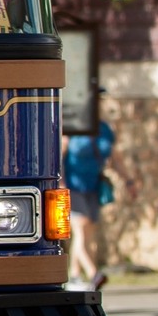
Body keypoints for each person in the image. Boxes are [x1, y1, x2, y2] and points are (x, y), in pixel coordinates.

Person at [63, 118, 115, 290]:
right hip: (72, 187)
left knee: (88, 233)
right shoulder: (72, 127)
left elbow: (114, 156)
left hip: (93, 187)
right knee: (81, 228)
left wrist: (129, 181)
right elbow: (58, 154)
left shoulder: (104, 128)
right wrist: (60, 182)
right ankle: (94, 273)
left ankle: (75, 276)